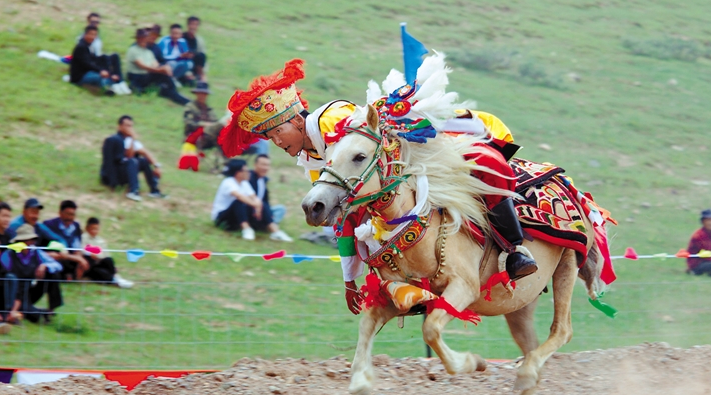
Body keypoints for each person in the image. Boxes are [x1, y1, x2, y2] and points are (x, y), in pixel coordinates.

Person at [218, 56, 538, 313]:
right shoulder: (313, 162)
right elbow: (345, 218)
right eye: (269, 138)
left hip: (425, 140)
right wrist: (350, 280)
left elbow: (368, 151)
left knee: (484, 163)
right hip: (398, 167)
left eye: (277, 132)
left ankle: (515, 250)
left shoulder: (331, 121)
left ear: (297, 121)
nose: (276, 142)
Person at [211, 159, 293, 241]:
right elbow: (239, 196)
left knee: (262, 203)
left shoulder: (244, 183)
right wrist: (255, 205)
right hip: (222, 218)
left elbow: (254, 197)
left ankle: (275, 231)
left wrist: (258, 206)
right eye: (246, 171)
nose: (248, 173)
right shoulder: (228, 182)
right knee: (239, 202)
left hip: (236, 217)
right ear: (238, 173)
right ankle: (246, 229)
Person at [0, 224, 64, 324]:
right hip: (14, 293)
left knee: (52, 274)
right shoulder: (9, 254)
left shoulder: (36, 252)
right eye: (26, 241)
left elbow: (57, 265)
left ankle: (51, 308)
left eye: (31, 240)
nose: (29, 243)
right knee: (34, 316)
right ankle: (34, 312)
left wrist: (45, 266)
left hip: (30, 289)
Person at [126, 28, 190, 105]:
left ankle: (175, 93)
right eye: (142, 38)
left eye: (145, 38)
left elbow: (155, 64)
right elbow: (142, 66)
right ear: (138, 39)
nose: (144, 40)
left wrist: (164, 68)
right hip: (137, 76)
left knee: (164, 74)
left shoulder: (148, 51)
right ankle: (174, 92)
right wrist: (159, 70)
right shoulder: (133, 50)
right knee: (161, 73)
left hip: (146, 75)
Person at [115, 115, 167, 201]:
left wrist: (156, 166)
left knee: (144, 161)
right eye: (127, 126)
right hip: (117, 171)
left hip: (129, 170)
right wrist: (132, 138)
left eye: (131, 126)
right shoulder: (116, 139)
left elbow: (145, 152)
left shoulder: (130, 140)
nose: (130, 129)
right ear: (120, 127)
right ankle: (133, 191)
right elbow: (129, 156)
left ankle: (154, 190)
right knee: (132, 161)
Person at [70, 25, 127, 95]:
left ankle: (119, 82)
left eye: (94, 35)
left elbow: (94, 61)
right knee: (101, 77)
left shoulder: (89, 46)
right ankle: (109, 87)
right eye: (91, 34)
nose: (92, 37)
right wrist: (101, 71)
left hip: (89, 72)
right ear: (85, 34)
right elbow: (87, 64)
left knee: (109, 57)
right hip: (81, 76)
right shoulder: (81, 47)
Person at [42, 200, 89, 281]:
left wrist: (79, 259)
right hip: (54, 257)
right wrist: (77, 259)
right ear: (60, 213)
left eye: (72, 215)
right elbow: (46, 250)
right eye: (67, 214)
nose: (70, 217)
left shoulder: (76, 226)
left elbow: (77, 248)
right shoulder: (49, 225)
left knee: (88, 259)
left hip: (70, 258)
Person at [81, 217, 133, 288]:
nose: (94, 231)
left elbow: (106, 254)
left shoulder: (100, 240)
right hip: (90, 263)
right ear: (87, 228)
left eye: (96, 229)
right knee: (99, 272)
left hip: (100, 261)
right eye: (92, 229)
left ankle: (116, 277)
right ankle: (114, 281)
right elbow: (82, 250)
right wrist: (90, 254)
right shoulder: (83, 238)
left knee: (109, 260)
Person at [183, 82, 224, 152]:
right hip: (195, 136)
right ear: (196, 94)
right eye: (200, 93)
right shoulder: (190, 107)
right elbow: (189, 123)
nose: (202, 96)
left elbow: (215, 122)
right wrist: (204, 124)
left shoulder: (209, 109)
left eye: (204, 94)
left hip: (210, 137)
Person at [249, 155, 286, 225]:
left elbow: (265, 200)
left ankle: (269, 222)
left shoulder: (264, 180)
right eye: (263, 165)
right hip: (251, 208)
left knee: (281, 209)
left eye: (267, 165)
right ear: (255, 165)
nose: (265, 168)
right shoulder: (248, 177)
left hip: (263, 209)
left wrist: (268, 212)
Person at [183, 16, 207, 81]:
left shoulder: (199, 40)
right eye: (192, 24)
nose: (193, 27)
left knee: (201, 56)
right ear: (188, 25)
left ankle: (202, 78)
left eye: (196, 25)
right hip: (183, 63)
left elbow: (203, 57)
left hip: (194, 64)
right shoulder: (181, 37)